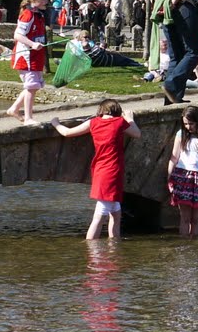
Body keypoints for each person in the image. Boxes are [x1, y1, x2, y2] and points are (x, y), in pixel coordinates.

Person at [54, 100, 138, 240]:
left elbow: (67, 132)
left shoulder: (93, 122)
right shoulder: (119, 122)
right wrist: (130, 119)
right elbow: (137, 133)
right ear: (117, 111)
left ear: (101, 111)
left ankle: (113, 248)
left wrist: (55, 123)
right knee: (99, 217)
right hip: (113, 172)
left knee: (116, 214)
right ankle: (92, 251)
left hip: (100, 171)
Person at [165, 105, 198, 238]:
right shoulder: (181, 134)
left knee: (196, 218)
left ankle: (195, 245)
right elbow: (174, 157)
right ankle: (184, 245)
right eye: (186, 124)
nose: (189, 127)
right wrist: (169, 176)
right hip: (182, 177)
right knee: (185, 217)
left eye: (191, 123)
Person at [6, 0, 50, 124]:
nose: (46, 2)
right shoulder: (28, 14)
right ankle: (28, 118)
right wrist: (32, 44)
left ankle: (14, 109)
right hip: (27, 57)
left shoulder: (39, 15)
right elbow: (18, 35)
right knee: (31, 87)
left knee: (34, 86)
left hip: (36, 57)